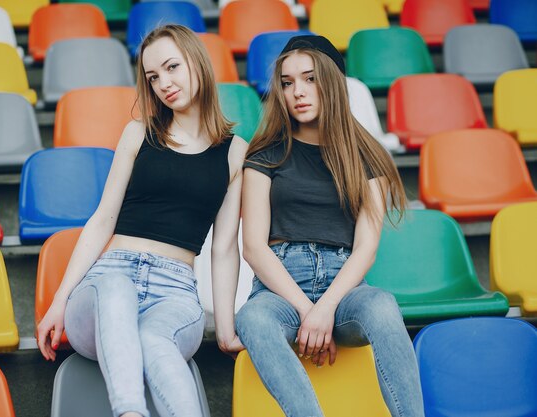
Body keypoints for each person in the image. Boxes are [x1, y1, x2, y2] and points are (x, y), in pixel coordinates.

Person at [37, 24, 247, 417]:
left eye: (172, 67)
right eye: (153, 77)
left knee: (155, 340)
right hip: (106, 285)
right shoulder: (138, 134)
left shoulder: (236, 153)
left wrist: (226, 327)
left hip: (176, 293)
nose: (164, 83)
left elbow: (223, 249)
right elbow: (102, 220)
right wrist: (58, 302)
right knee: (116, 285)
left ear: (197, 63)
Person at [235, 35, 424, 417]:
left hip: (345, 288)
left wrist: (328, 307)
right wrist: (309, 311)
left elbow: (366, 247)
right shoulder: (265, 155)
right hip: (282, 289)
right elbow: (253, 247)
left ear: (333, 83)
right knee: (252, 318)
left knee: (383, 306)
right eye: (287, 83)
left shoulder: (364, 156)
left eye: (309, 79)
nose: (297, 92)